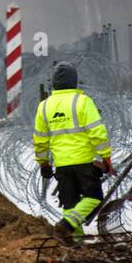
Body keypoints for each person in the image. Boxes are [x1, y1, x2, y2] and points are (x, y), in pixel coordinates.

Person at [34, 61, 111, 240]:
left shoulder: (44, 106)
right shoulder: (82, 102)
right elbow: (97, 133)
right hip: (84, 162)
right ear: (74, 81)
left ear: (54, 82)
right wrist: (106, 157)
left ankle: (75, 240)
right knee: (94, 198)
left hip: (61, 164)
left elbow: (40, 140)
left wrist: (43, 162)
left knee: (70, 203)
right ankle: (66, 225)